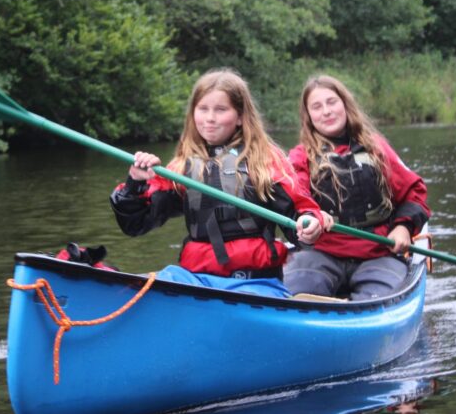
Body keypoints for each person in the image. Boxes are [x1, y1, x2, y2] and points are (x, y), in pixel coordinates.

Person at [110, 68, 326, 295]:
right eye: (202, 109)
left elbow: (301, 212)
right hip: (194, 278)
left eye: (221, 110)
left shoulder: (266, 161)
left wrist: (309, 224)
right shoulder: (182, 166)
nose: (210, 118)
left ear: (240, 116)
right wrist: (135, 183)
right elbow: (135, 224)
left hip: (255, 282)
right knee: (147, 285)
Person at [284, 75, 430, 299]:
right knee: (293, 293)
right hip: (321, 254)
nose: (326, 111)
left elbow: (414, 193)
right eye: (317, 106)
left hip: (378, 253)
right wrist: (310, 217)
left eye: (332, 102)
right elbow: (294, 198)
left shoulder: (376, 148)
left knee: (379, 299)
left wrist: (404, 227)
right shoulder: (300, 157)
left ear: (345, 104)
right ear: (309, 117)